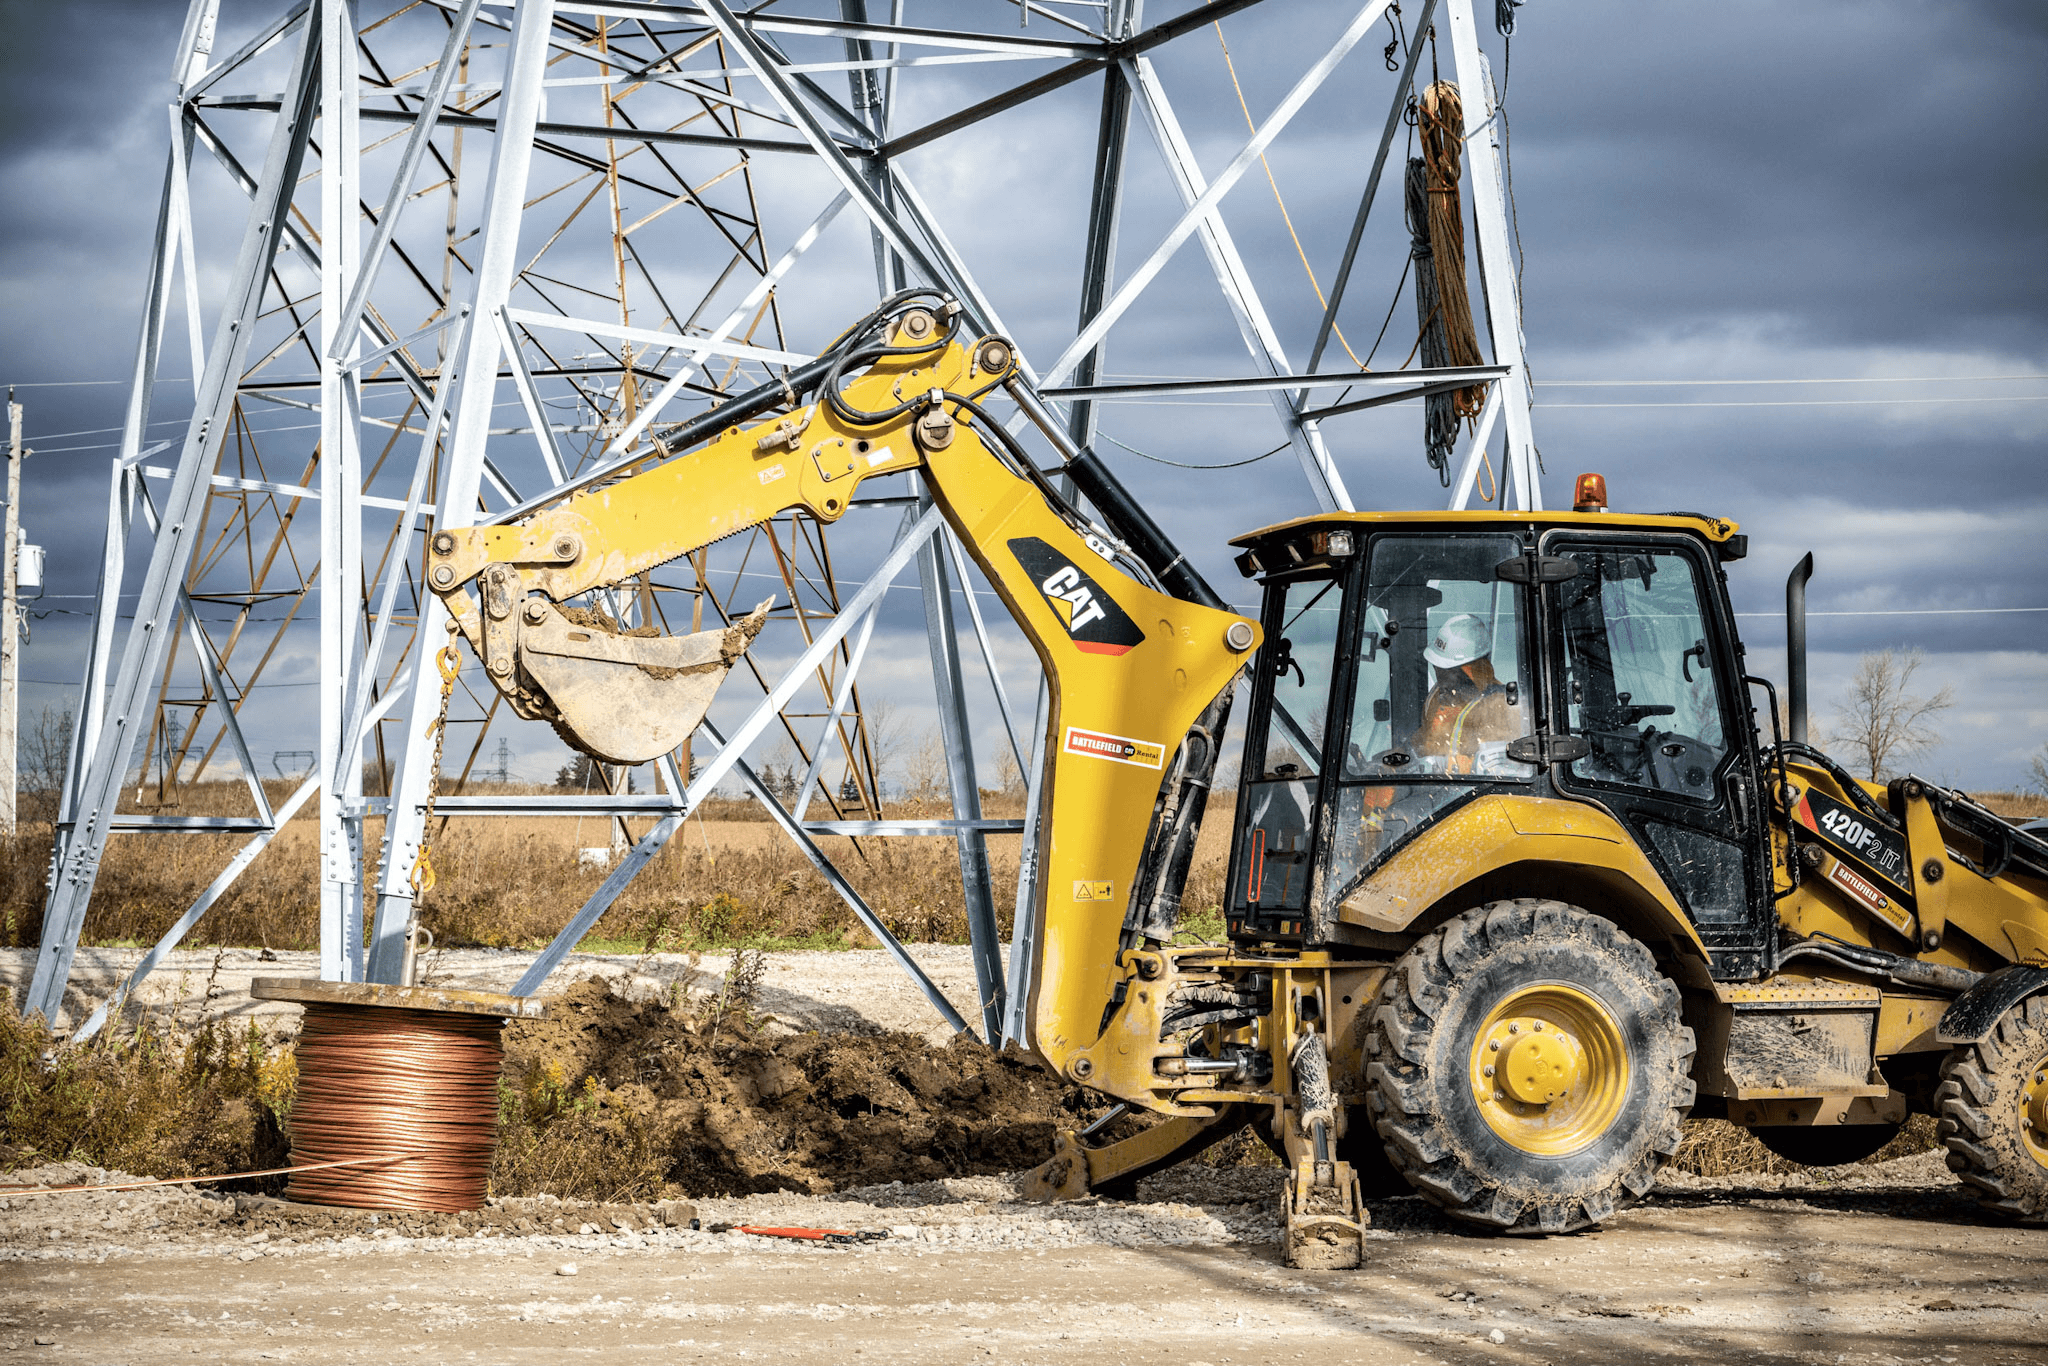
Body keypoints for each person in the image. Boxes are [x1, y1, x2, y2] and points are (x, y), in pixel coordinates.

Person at [1412, 612, 1519, 774]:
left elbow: (1499, 769)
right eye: (1437, 668)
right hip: (1434, 788)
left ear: (1469, 670)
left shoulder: (1497, 705)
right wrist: (1405, 755)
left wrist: (1439, 765)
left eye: (1446, 670)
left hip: (1471, 792)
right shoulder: (1438, 696)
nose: (1439, 677)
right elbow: (1425, 740)